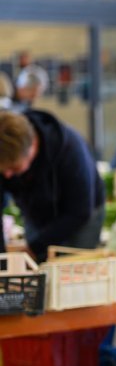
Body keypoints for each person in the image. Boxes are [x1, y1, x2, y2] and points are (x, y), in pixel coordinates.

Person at [0, 110, 105, 262]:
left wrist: (35, 247)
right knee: (37, 268)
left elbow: (79, 211)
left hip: (82, 214)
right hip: (37, 212)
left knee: (74, 269)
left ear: (32, 147)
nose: (7, 175)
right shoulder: (4, 155)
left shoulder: (71, 150)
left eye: (14, 169)